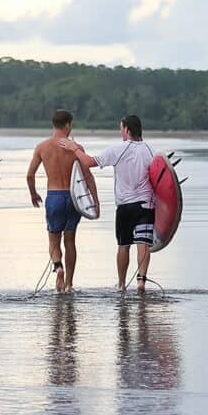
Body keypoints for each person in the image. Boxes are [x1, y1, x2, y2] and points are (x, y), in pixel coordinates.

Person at [61, 114, 156, 293]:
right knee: (143, 243)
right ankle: (141, 281)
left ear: (127, 129)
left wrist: (74, 148)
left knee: (124, 245)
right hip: (146, 204)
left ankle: (121, 284)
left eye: (121, 128)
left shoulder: (118, 149)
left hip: (125, 206)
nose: (120, 131)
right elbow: (160, 176)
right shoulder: (150, 150)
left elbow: (89, 162)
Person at [26, 109, 83, 292]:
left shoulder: (42, 147)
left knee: (53, 239)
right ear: (67, 125)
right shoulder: (77, 148)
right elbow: (86, 175)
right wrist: (92, 199)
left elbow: (29, 175)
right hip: (72, 198)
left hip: (54, 196)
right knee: (70, 241)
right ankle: (69, 284)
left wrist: (33, 194)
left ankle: (58, 267)